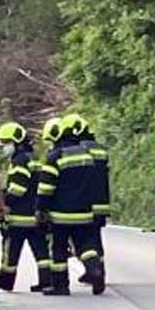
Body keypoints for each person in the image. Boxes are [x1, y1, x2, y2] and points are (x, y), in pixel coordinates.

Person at [37, 114, 106, 296]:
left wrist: (40, 209)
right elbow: (95, 183)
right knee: (86, 246)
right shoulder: (87, 155)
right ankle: (95, 270)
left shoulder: (55, 157)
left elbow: (45, 189)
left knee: (59, 250)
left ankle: (61, 286)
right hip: (85, 213)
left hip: (60, 215)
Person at [0, 121, 52, 293]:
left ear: (16, 142)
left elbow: (18, 189)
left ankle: (6, 282)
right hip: (35, 214)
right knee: (41, 252)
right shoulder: (33, 158)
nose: (4, 147)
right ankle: (46, 282)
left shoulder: (19, 160)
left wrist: (5, 203)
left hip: (19, 217)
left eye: (6, 143)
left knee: (11, 252)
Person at [78, 118, 111, 282]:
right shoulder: (101, 149)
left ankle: (94, 270)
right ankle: (100, 270)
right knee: (96, 236)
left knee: (85, 238)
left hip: (86, 201)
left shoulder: (79, 150)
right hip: (102, 200)